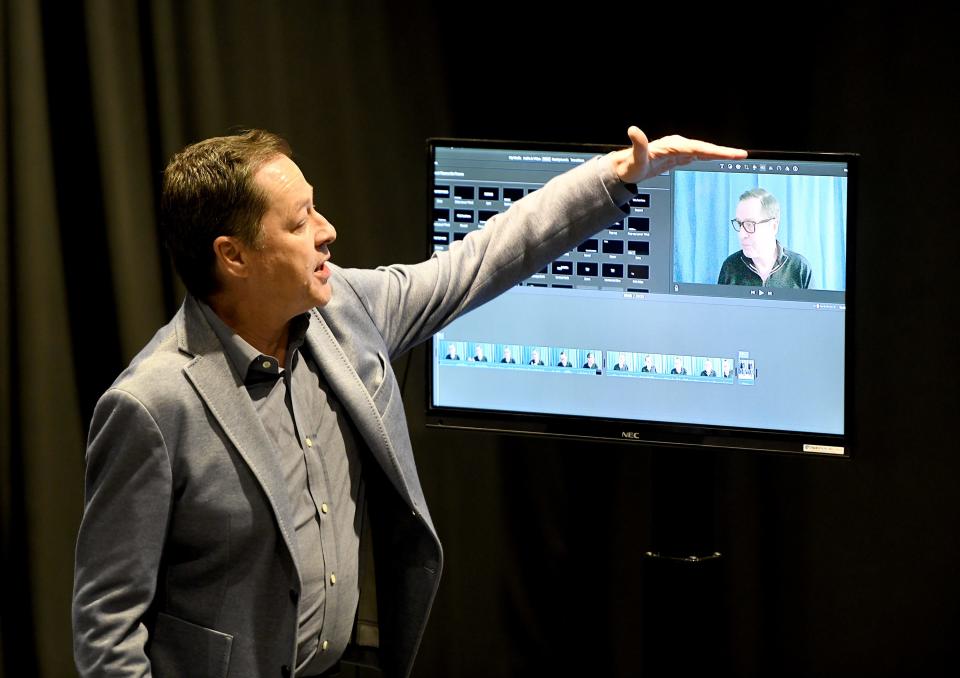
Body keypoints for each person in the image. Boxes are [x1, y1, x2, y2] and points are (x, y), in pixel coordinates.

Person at [72, 126, 745, 678]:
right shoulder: (152, 405)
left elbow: (482, 257)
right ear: (234, 256)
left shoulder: (349, 312)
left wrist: (613, 177)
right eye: (301, 220)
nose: (327, 231)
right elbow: (107, 634)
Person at [717, 187, 812, 288]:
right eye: (740, 224)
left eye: (749, 224)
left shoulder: (799, 268)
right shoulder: (730, 267)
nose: (741, 234)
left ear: (773, 226)